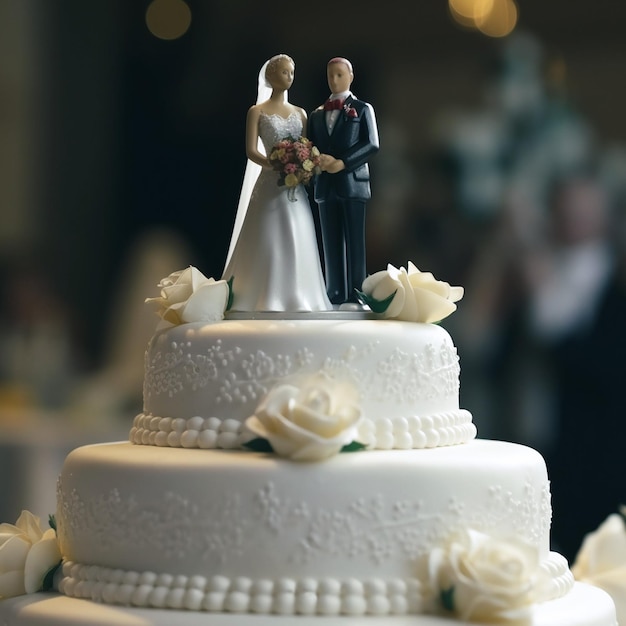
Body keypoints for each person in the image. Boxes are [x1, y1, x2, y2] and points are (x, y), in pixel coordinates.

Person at [222, 54, 332, 312]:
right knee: (268, 235)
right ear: (271, 76)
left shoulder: (300, 113)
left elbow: (305, 145)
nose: (289, 77)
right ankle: (261, 294)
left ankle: (299, 293)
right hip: (270, 182)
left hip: (294, 184)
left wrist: (303, 163)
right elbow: (251, 150)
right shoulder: (257, 112)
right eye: (284, 72)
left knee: (297, 232)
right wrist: (276, 163)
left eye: (292, 73)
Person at [309, 57, 379, 305]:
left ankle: (357, 291)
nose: (335, 80)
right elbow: (310, 146)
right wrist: (317, 162)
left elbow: (371, 144)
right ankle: (335, 291)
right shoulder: (317, 114)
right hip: (326, 185)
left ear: (350, 76)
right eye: (331, 75)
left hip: (353, 182)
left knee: (355, 241)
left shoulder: (361, 109)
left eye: (339, 75)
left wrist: (343, 162)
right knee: (330, 241)